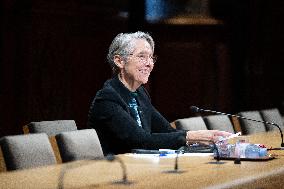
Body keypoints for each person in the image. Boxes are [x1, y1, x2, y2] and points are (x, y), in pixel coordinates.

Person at [87, 31, 232, 155]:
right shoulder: (107, 99)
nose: (149, 63)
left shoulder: (140, 94)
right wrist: (191, 136)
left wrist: (203, 138)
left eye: (151, 57)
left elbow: (167, 131)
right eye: (142, 56)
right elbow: (140, 140)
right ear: (119, 61)